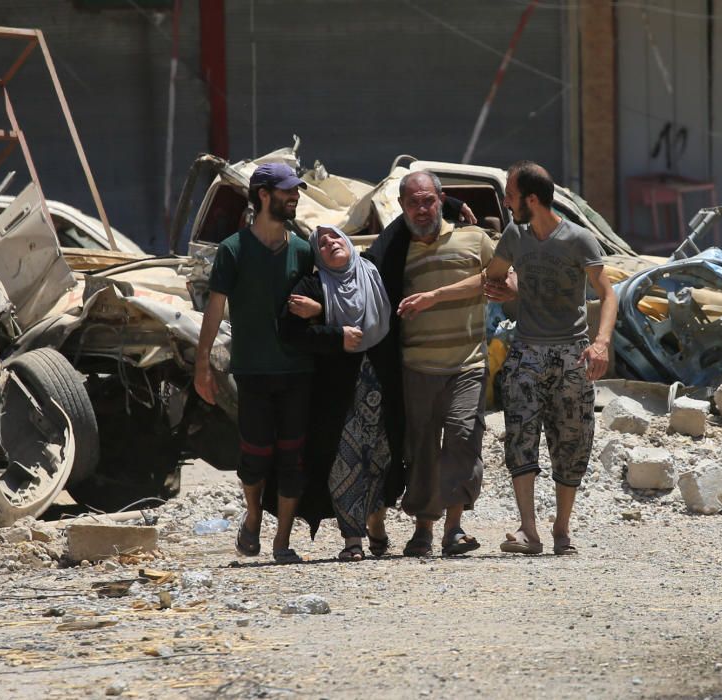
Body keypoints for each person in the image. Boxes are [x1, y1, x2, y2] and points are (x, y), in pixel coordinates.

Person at [484, 160, 616, 555]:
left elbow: (607, 294)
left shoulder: (578, 239)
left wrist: (602, 343)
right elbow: (494, 275)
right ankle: (529, 530)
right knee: (521, 436)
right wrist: (511, 287)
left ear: (532, 199)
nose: (506, 202)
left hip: (572, 354)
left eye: (510, 195)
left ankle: (562, 529)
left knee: (572, 440)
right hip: (525, 351)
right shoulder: (514, 235)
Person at [367, 170, 496, 557]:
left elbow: (505, 278)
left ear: (441, 199)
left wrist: (436, 296)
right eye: (413, 203)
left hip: (468, 364)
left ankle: (453, 529)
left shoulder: (475, 238)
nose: (422, 210)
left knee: (462, 437)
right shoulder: (397, 250)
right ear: (403, 207)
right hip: (417, 368)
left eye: (429, 201)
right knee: (420, 449)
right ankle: (423, 527)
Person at [193, 162, 314, 565]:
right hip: (253, 370)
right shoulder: (233, 250)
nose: (294, 197)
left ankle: (282, 541)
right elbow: (214, 308)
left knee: (293, 457)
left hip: (297, 370)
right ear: (263, 195)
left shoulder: (302, 249)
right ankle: (252, 515)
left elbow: (328, 297)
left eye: (295, 191)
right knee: (255, 456)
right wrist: (202, 365)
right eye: (286, 191)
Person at [279, 225, 393, 561]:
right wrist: (334, 334)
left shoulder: (373, 271)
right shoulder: (313, 286)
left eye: (335, 238)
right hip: (338, 397)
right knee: (345, 463)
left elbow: (400, 228)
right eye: (322, 243)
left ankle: (376, 523)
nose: (330, 243)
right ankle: (352, 539)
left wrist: (453, 203)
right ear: (317, 255)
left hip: (384, 389)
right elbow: (288, 331)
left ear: (348, 242)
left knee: (381, 461)